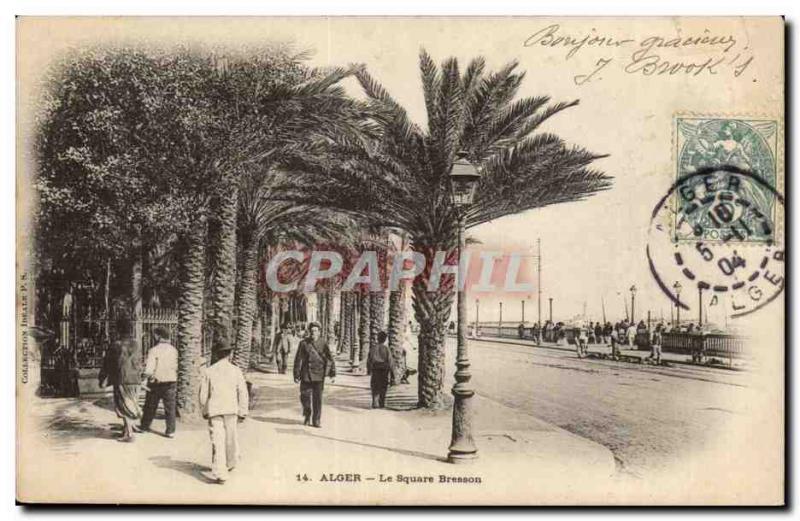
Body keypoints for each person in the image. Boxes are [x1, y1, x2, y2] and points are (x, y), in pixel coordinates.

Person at [198, 341, 249, 484]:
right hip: (231, 409)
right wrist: (243, 410)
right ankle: (230, 463)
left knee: (217, 440)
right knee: (231, 438)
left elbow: (203, 395)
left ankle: (221, 473)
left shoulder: (209, 371)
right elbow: (242, 392)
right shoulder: (235, 370)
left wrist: (204, 409)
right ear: (229, 354)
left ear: (216, 354)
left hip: (215, 410)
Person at [98, 320, 142, 442]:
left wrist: (102, 378)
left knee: (123, 405)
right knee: (131, 404)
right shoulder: (136, 344)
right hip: (136, 379)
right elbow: (138, 362)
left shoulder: (115, 345)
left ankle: (129, 434)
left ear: (118, 330)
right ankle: (127, 429)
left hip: (122, 379)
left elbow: (108, 364)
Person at [135, 326, 178, 438]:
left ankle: (144, 427)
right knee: (170, 407)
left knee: (150, 405)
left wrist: (143, 377)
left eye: (154, 335)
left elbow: (149, 369)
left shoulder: (153, 350)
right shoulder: (174, 350)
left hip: (156, 382)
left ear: (158, 336)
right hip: (171, 381)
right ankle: (170, 431)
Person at [293, 322, 335, 427]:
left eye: (315, 331)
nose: (313, 333)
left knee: (318, 399)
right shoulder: (303, 343)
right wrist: (296, 374)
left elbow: (329, 358)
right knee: (305, 397)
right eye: (312, 331)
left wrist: (332, 373)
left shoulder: (323, 343)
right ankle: (307, 415)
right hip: (306, 374)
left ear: (319, 332)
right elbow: (298, 359)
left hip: (319, 374)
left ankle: (316, 420)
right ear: (309, 332)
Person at [368, 331, 392, 408]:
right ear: (385, 339)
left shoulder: (373, 348)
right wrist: (392, 372)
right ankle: (382, 403)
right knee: (383, 386)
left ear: (377, 338)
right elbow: (390, 360)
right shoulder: (386, 349)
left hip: (375, 368)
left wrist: (369, 369)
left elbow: (369, 359)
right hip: (384, 369)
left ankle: (375, 403)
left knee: (375, 386)